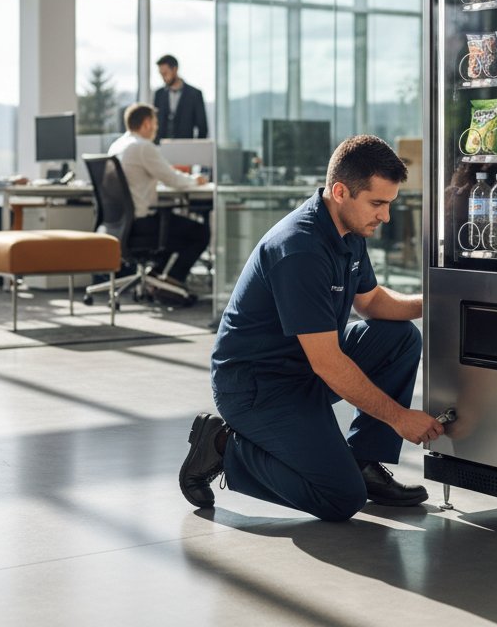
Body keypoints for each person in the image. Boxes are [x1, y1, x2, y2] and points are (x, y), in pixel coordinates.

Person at [179, 135, 444, 521]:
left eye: (389, 204)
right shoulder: (300, 249)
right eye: (378, 203)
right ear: (340, 191)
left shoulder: (349, 232)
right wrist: (400, 418)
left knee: (398, 337)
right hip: (258, 388)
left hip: (302, 368)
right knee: (340, 498)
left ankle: (365, 463)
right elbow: (328, 364)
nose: (385, 216)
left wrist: (440, 301)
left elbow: (372, 303)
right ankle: (222, 446)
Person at [108, 103, 211, 294]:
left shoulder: (117, 146)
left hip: (120, 224)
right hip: (141, 225)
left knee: (173, 224)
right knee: (200, 233)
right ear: (147, 123)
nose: (156, 128)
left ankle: (156, 277)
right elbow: (173, 179)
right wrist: (196, 180)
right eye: (155, 123)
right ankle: (171, 282)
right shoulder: (142, 147)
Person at [153, 54, 208, 140]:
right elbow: (155, 122)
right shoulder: (158, 94)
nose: (163, 77)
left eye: (165, 73)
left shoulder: (194, 94)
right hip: (162, 147)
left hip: (186, 147)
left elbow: (202, 127)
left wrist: (196, 149)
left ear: (175, 69)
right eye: (161, 74)